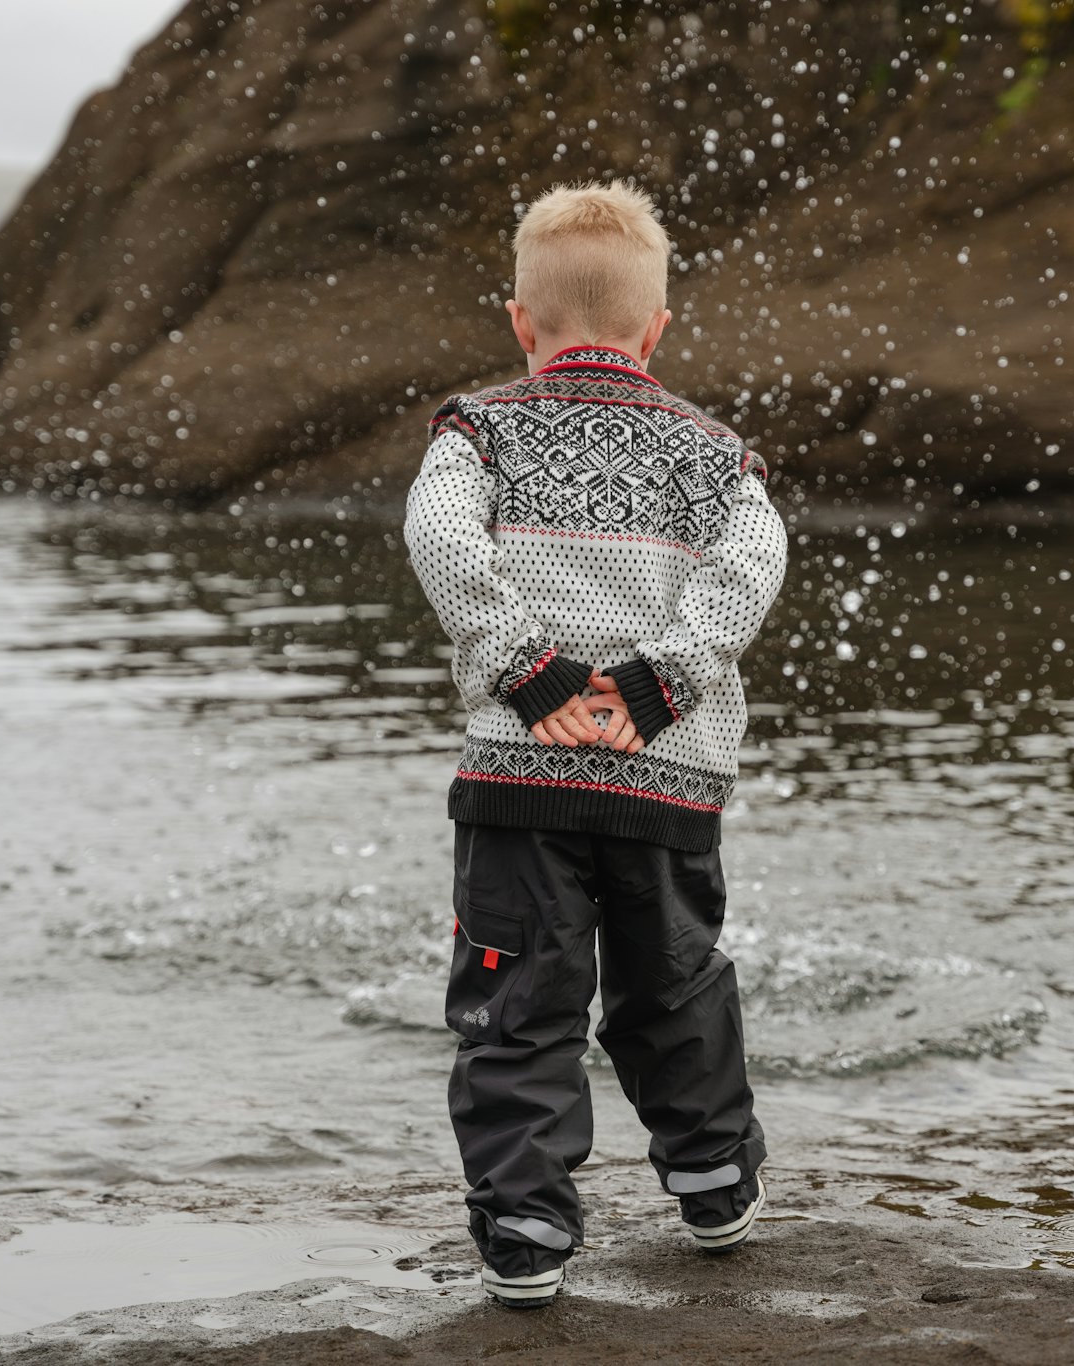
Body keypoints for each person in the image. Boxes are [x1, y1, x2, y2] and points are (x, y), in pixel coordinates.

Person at [402, 180, 789, 1309]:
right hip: (664, 778)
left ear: (521, 322)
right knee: (671, 984)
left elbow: (435, 532)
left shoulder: (478, 427)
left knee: (518, 998)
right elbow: (750, 569)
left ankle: (524, 1223)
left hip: (519, 779)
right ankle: (712, 1177)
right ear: (655, 330)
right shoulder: (719, 457)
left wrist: (526, 671)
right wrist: (659, 684)